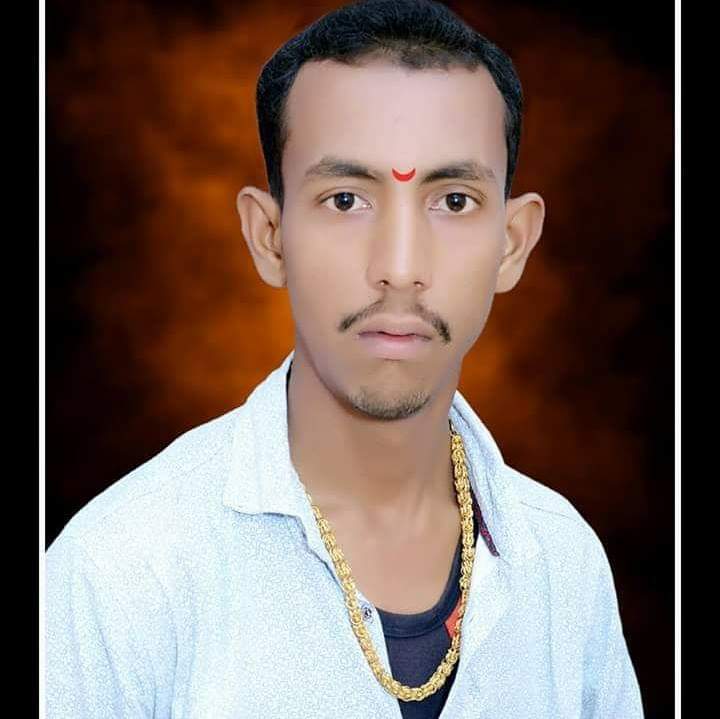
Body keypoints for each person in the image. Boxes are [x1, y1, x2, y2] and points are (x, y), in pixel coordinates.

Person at [45, 1, 645, 717]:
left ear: (512, 244)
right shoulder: (120, 570)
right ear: (269, 237)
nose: (399, 267)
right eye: (345, 199)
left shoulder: (565, 561)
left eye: (454, 200)